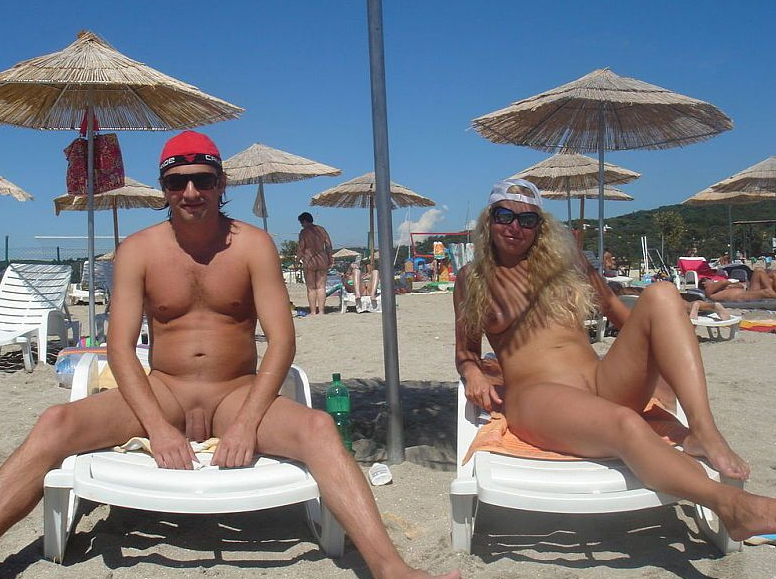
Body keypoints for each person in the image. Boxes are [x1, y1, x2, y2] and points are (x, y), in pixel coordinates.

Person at [0, 131, 459, 579]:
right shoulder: (138, 251)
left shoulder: (253, 246)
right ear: (163, 188)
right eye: (177, 182)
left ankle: (392, 569)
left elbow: (282, 341)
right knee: (54, 423)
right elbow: (120, 348)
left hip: (235, 394)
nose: (190, 191)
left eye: (202, 179)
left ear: (221, 184)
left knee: (320, 429)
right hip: (164, 392)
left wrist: (245, 424)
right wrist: (157, 428)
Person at [453, 178, 776, 544]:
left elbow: (615, 310)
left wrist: (656, 369)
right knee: (626, 422)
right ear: (489, 218)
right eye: (504, 216)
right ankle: (731, 506)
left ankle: (704, 431)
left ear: (540, 227)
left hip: (600, 381)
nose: (515, 227)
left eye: (527, 220)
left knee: (662, 293)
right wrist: (472, 373)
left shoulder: (566, 263)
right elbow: (465, 351)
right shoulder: (471, 279)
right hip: (537, 398)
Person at [296, 211, 333, 316]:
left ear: (304, 221)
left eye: (301, 223)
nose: (301, 225)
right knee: (321, 287)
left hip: (309, 260)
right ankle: (321, 311)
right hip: (322, 259)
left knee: (311, 288)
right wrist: (330, 258)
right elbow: (329, 245)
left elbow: (301, 248)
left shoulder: (304, 232)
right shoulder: (321, 229)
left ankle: (313, 311)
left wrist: (297, 261)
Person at [699, 270, 776, 302]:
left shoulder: (717, 290)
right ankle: (769, 290)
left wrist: (729, 286)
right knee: (766, 292)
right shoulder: (708, 290)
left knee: (759, 271)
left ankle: (769, 289)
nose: (712, 280)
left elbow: (741, 286)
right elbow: (724, 281)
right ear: (704, 283)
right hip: (743, 296)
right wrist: (727, 284)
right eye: (709, 279)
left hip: (747, 292)